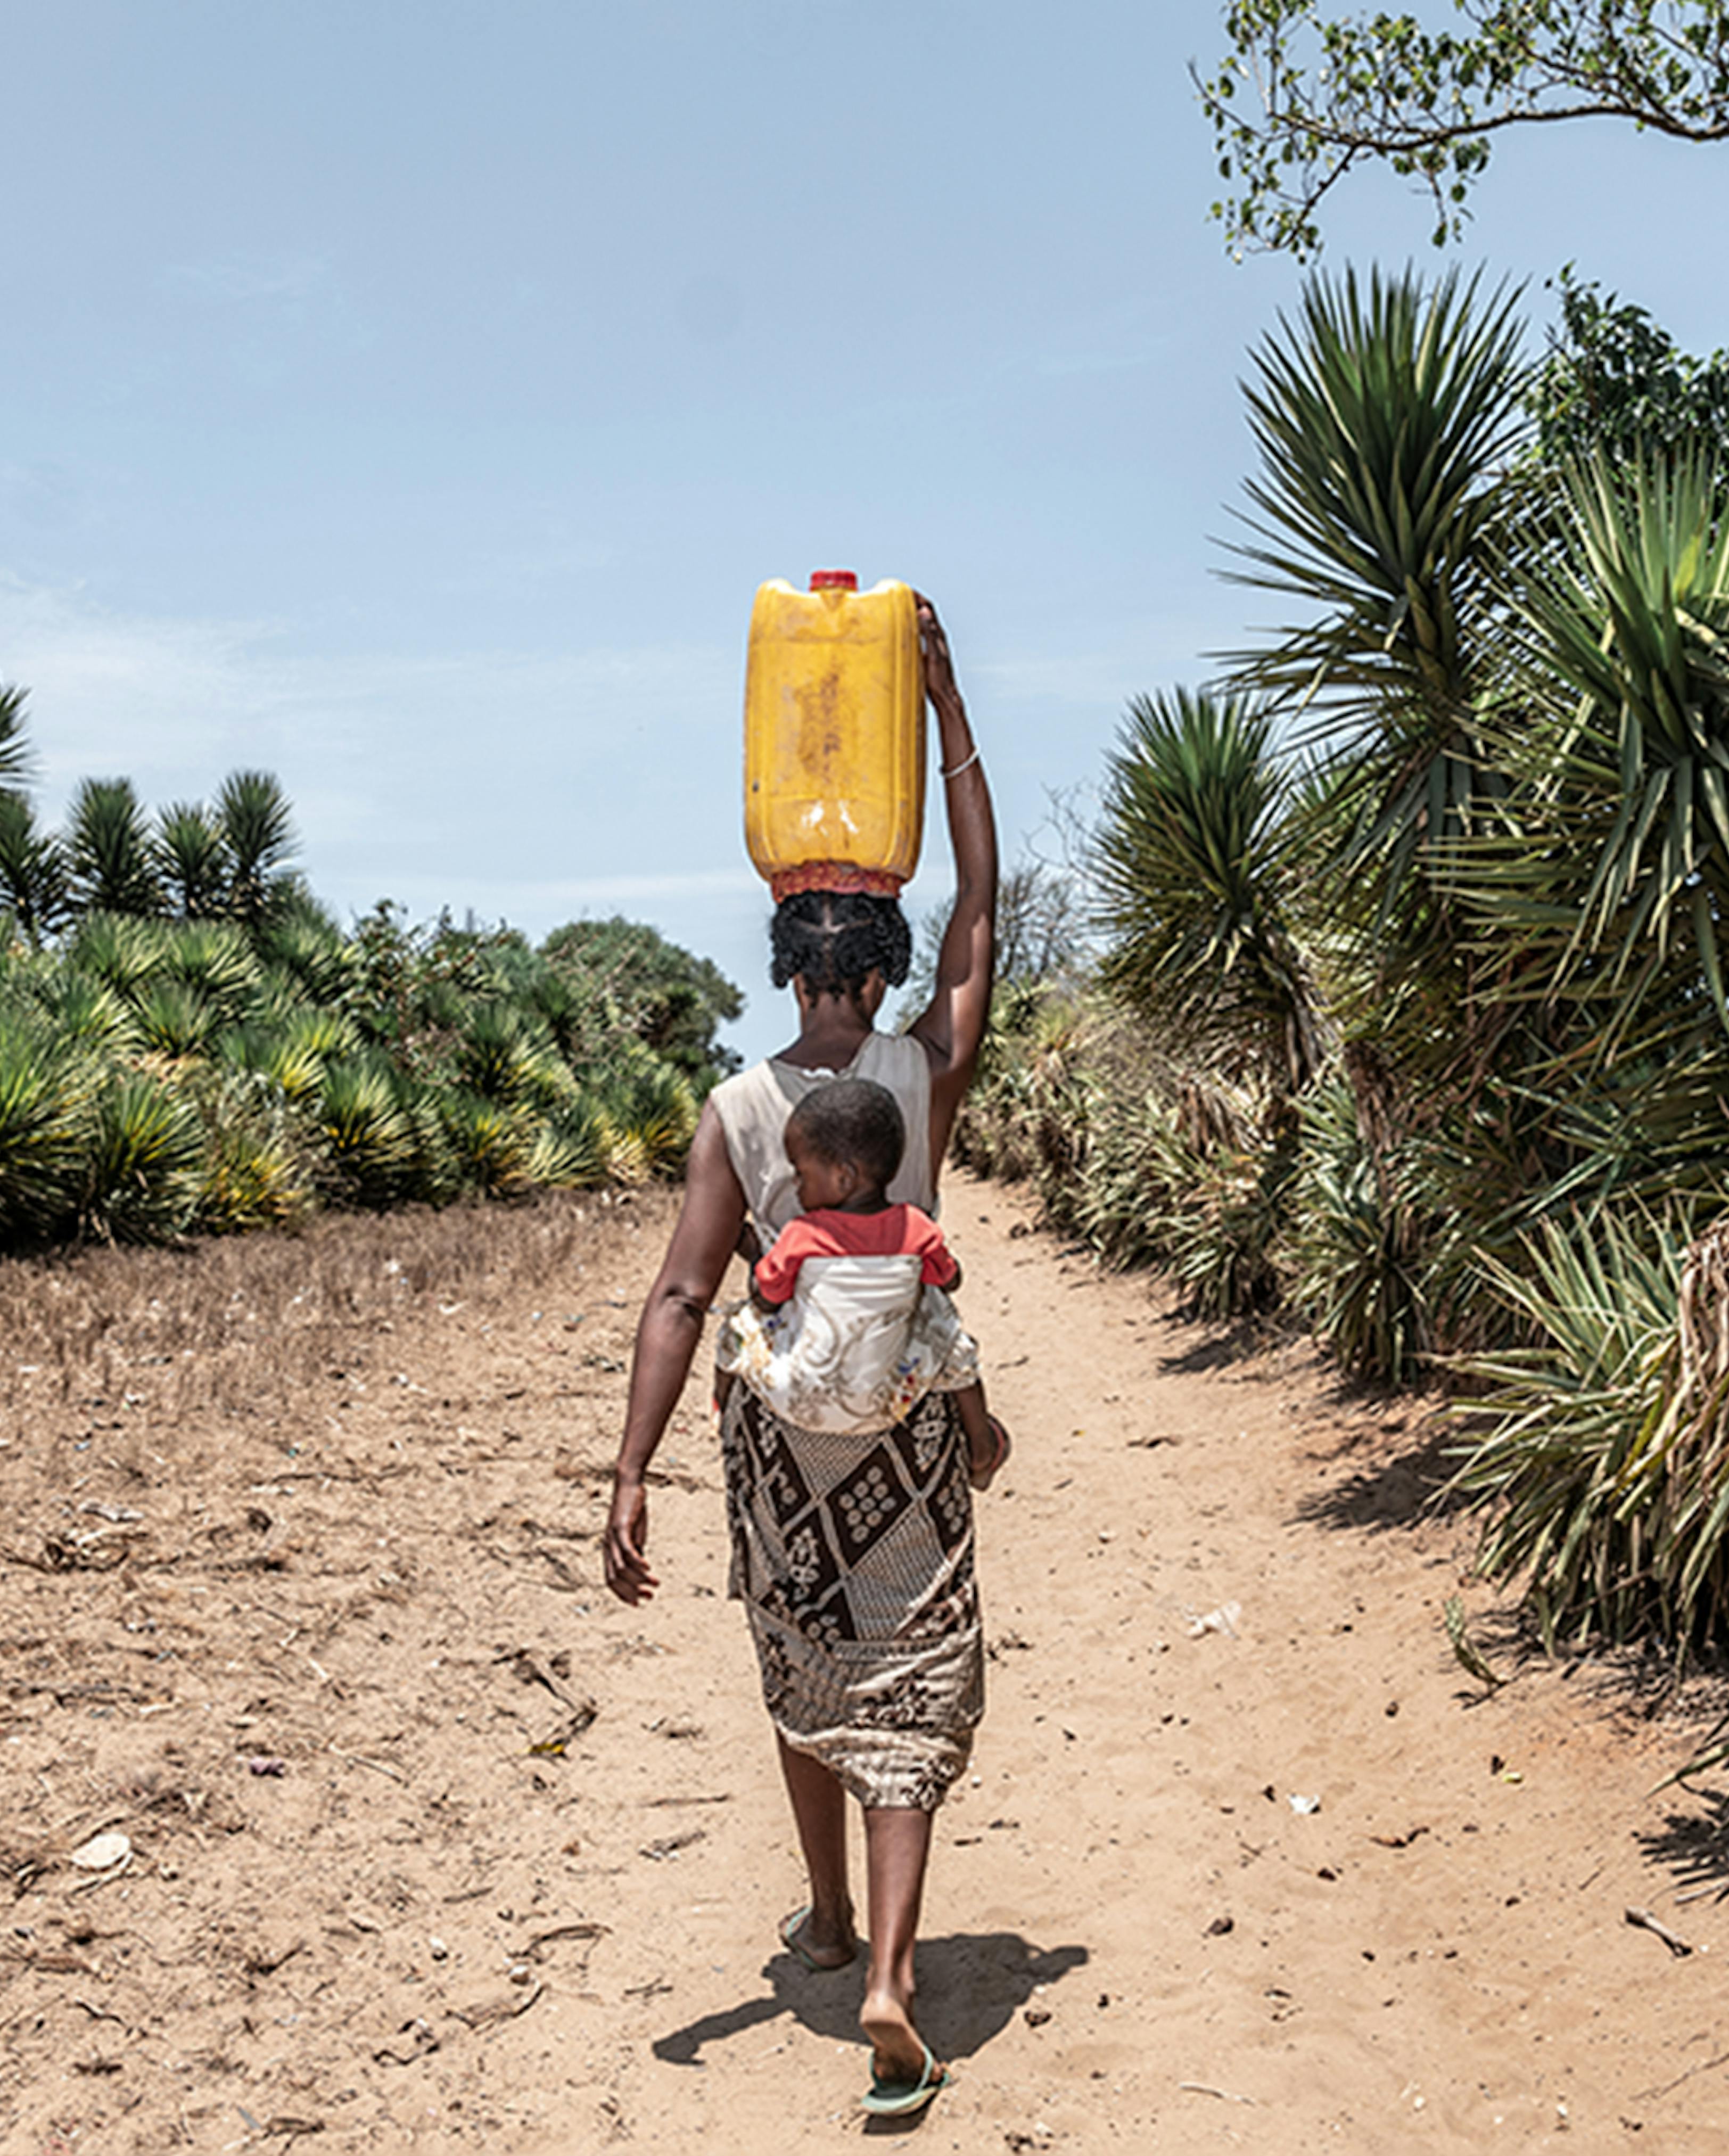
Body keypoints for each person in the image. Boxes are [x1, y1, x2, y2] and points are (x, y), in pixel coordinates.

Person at [602, 592, 1004, 2119]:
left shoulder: (738, 1107)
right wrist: (946, 708)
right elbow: (981, 904)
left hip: (778, 1440)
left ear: (787, 968)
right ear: (888, 967)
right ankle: (893, 1973)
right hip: (905, 1427)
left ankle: (825, 1922)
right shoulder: (923, 1072)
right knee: (909, 1674)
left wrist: (632, 1466)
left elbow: (679, 1295)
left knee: (808, 1663)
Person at [714, 1078, 986, 1438]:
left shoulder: (803, 1234)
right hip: (890, 1401)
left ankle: (723, 1412)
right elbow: (950, 1281)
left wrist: (754, 1256)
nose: (796, 1186)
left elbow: (766, 1299)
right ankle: (981, 1441)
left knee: (735, 1328)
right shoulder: (917, 1227)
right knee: (949, 1333)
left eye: (800, 1173)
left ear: (844, 1178)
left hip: (797, 1399)